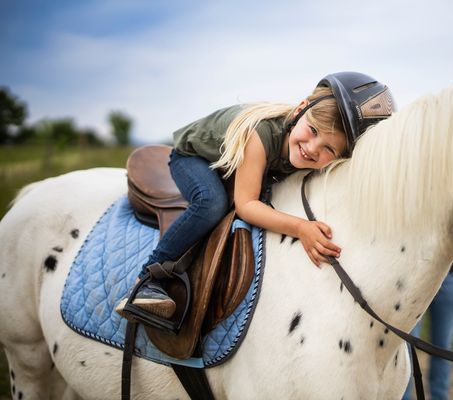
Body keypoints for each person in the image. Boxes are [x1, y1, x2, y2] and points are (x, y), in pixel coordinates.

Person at [116, 72, 396, 320]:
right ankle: (148, 278)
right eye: (312, 132)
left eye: (329, 150)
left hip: (237, 162)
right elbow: (247, 205)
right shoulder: (260, 135)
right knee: (211, 203)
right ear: (300, 109)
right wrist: (301, 227)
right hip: (191, 158)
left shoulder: (302, 149)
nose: (312, 149)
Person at [402, 247, 453, 400]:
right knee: (408, 344)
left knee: (443, 347)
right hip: (416, 275)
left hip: (450, 277)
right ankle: (404, 397)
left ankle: (439, 396)